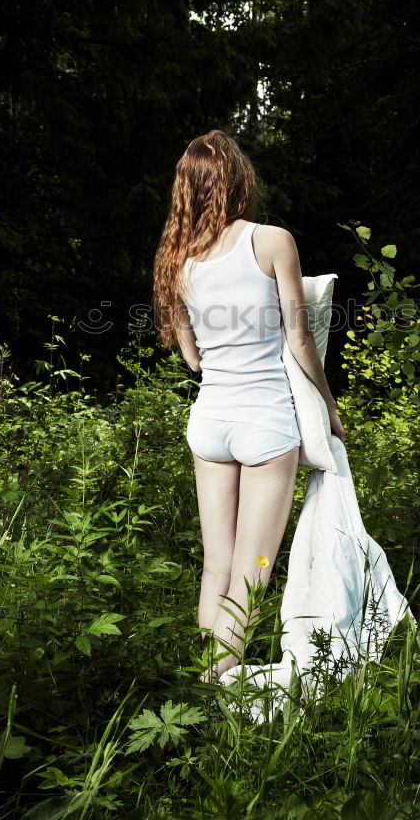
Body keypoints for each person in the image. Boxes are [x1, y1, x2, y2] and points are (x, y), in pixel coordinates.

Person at [152, 129, 346, 681]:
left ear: (187, 189)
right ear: (239, 179)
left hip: (210, 422)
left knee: (216, 566)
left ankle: (203, 689)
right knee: (252, 572)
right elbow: (300, 340)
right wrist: (329, 407)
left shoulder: (179, 259)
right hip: (265, 423)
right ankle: (220, 689)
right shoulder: (272, 241)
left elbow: (192, 358)